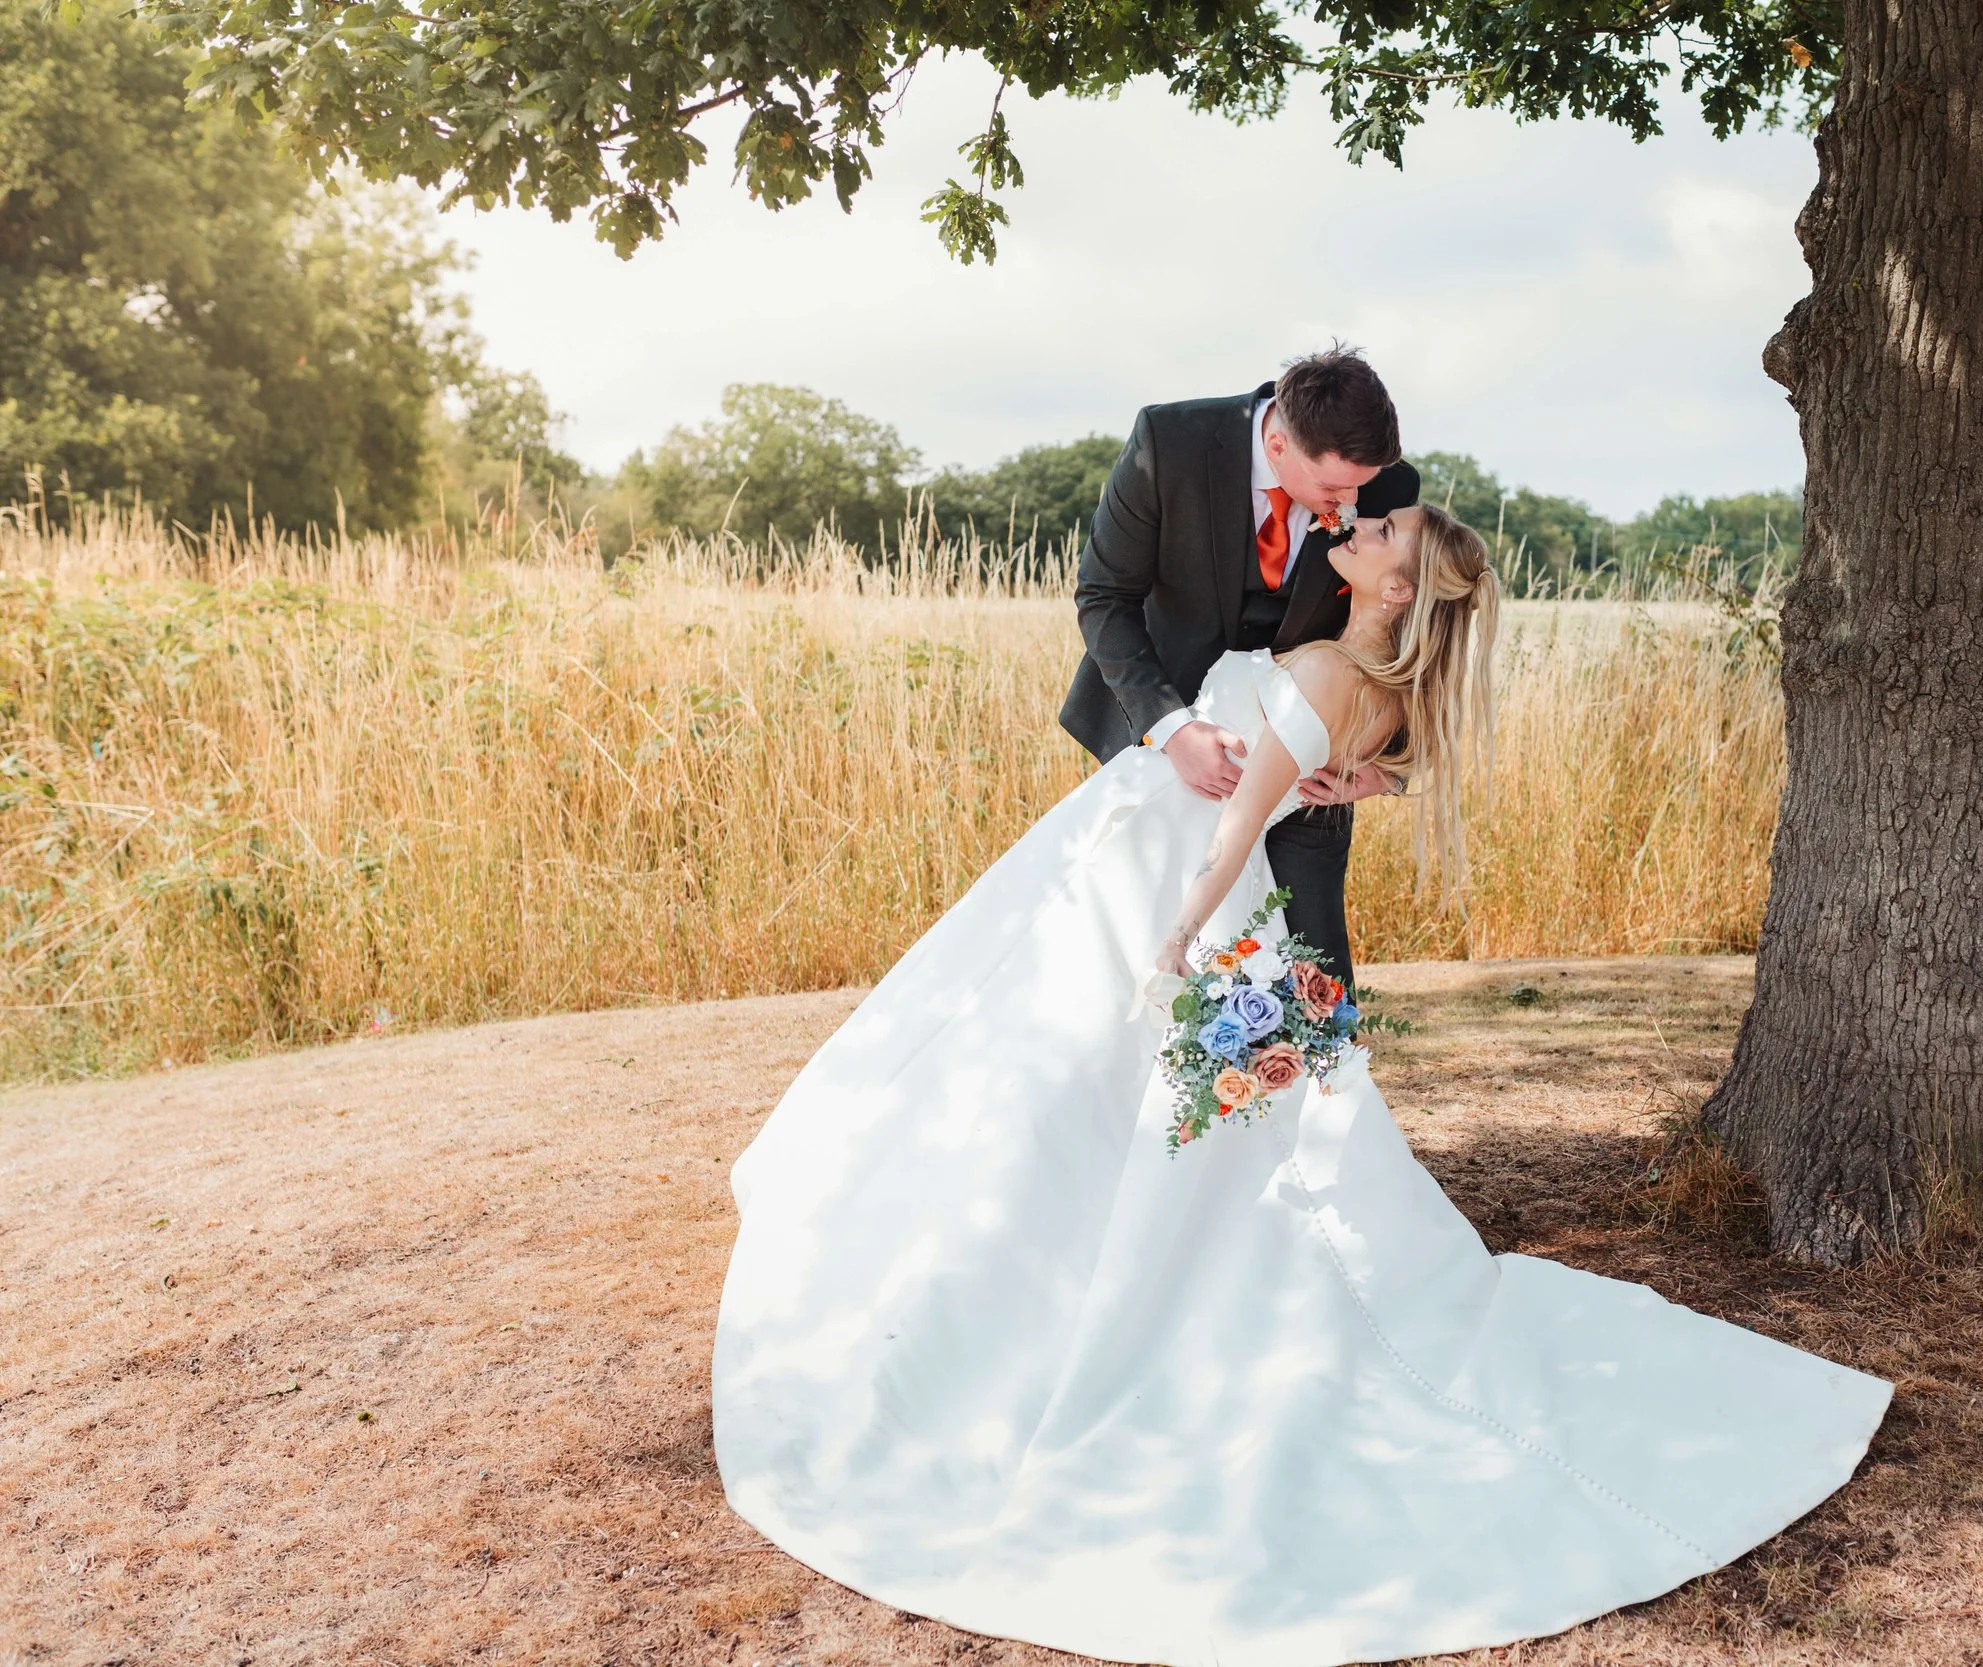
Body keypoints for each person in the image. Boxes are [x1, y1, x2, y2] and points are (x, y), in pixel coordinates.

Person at [711, 498, 1894, 1667]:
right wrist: (1354, 783)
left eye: (1384, 537)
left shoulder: (1331, 666)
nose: (1367, 528)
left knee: (1091, 1081)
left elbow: (1233, 820)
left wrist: (1179, 925)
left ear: (1394, 588)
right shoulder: (1377, 688)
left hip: (1175, 880)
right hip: (1172, 871)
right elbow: (1333, 762)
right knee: (1111, 1091)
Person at [1058, 345, 1421, 985]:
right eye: (1334, 487)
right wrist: (1172, 730)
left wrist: (1389, 769)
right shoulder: (1167, 442)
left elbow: (1410, 632)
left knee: (1314, 975)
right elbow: (1104, 597)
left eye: (1359, 488)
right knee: (1131, 955)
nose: (1349, 503)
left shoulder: (1386, 486)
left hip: (1307, 770)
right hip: (1158, 751)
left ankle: (1316, 1084)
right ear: (1277, 443)